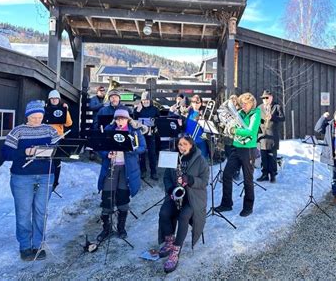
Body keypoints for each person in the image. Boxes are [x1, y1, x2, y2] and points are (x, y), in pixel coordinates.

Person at [1, 100, 60, 261]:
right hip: (22, 177)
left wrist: (51, 150)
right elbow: (6, 153)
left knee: (41, 212)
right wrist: (23, 151)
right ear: (27, 116)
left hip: (45, 175)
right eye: (33, 117)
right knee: (24, 212)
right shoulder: (18, 131)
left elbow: (59, 150)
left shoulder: (50, 130)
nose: (37, 120)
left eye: (40, 117)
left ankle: (38, 244)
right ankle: (25, 247)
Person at [158, 135, 209, 273]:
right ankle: (169, 241)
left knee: (183, 217)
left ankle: (176, 250)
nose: (181, 147)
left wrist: (190, 179)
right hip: (176, 195)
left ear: (191, 145)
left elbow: (204, 181)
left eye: (185, 144)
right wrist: (170, 189)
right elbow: (167, 177)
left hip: (194, 198)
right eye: (180, 144)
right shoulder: (174, 158)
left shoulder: (201, 160)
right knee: (163, 213)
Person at [96, 108, 146, 242]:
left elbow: (142, 147)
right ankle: (106, 229)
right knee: (107, 197)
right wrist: (107, 154)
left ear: (127, 119)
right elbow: (100, 146)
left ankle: (121, 227)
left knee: (123, 198)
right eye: (118, 119)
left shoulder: (134, 130)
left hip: (126, 169)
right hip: (111, 168)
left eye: (123, 118)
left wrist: (131, 150)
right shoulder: (109, 129)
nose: (120, 121)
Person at [216, 92, 261, 217]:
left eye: (246, 103)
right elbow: (232, 126)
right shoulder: (240, 113)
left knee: (248, 179)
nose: (244, 106)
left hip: (248, 150)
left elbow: (251, 131)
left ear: (252, 103)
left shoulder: (256, 113)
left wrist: (234, 130)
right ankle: (226, 204)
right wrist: (227, 125)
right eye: (242, 103)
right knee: (226, 175)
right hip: (236, 148)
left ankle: (248, 207)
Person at [44, 89, 73, 191]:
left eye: (56, 98)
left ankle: (55, 182)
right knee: (46, 160)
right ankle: (45, 181)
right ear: (49, 100)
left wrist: (66, 111)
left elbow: (69, 124)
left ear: (59, 99)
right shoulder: (45, 109)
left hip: (58, 138)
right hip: (46, 138)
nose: (54, 100)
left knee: (56, 161)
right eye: (52, 99)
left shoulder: (62, 109)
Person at [256, 90, 285, 183]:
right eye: (263, 98)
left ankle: (273, 175)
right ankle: (264, 174)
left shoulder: (277, 106)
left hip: (272, 136)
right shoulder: (259, 108)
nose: (265, 99)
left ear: (271, 97)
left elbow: (283, 118)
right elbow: (256, 120)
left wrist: (272, 117)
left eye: (266, 97)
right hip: (263, 135)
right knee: (264, 156)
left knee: (272, 157)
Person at [133, 91, 160, 180]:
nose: (145, 102)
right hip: (141, 134)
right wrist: (137, 111)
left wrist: (154, 122)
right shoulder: (138, 108)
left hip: (151, 134)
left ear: (150, 100)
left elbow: (158, 119)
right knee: (142, 153)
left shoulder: (155, 109)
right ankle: (143, 170)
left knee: (152, 153)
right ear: (141, 100)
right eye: (144, 100)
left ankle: (154, 172)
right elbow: (133, 120)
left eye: (147, 100)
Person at [183, 95, 209, 159]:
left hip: (200, 140)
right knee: (190, 160)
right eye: (193, 102)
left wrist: (203, 120)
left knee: (202, 160)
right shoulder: (187, 112)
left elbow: (209, 126)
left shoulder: (205, 112)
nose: (195, 104)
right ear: (191, 102)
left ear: (201, 103)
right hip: (189, 141)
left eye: (197, 102)